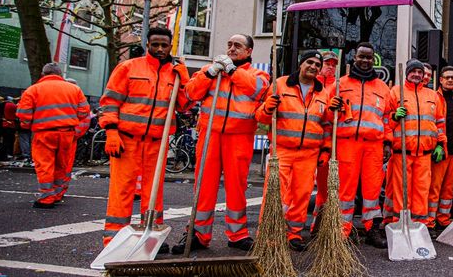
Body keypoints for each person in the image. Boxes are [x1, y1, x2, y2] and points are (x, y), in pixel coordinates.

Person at [98, 27, 190, 250]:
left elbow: (185, 105)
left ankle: (151, 238)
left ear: (170, 47)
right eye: (155, 44)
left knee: (153, 193)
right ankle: (114, 241)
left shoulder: (175, 74)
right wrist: (111, 132)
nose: (159, 49)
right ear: (147, 44)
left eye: (164, 45)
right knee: (122, 191)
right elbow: (110, 102)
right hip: (126, 139)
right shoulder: (128, 68)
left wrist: (185, 79)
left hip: (156, 142)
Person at [181, 34, 269, 253]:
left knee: (236, 187)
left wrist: (231, 71)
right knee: (203, 186)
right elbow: (191, 93)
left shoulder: (258, 73)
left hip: (239, 137)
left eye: (237, 46)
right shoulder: (211, 70)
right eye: (229, 44)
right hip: (210, 135)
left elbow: (258, 89)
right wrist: (210, 73)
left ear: (248, 51)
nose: (231, 49)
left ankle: (237, 234)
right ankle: (199, 234)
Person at [256, 50, 331, 252]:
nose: (313, 67)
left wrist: (325, 150)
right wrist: (267, 108)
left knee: (302, 195)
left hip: (309, 153)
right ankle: (269, 234)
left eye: (317, 64)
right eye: (310, 62)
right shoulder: (280, 85)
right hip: (282, 150)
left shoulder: (323, 92)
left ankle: (294, 234)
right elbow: (261, 119)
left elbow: (326, 125)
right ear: (301, 63)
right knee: (274, 193)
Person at [327, 42, 391, 248]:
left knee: (373, 190)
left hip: (374, 146)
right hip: (347, 144)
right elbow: (327, 116)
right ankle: (342, 231)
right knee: (346, 190)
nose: (365, 61)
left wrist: (388, 142)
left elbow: (388, 118)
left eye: (368, 57)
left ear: (374, 60)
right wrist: (331, 108)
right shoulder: (339, 84)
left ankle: (371, 228)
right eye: (361, 56)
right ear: (354, 58)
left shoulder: (382, 88)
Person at [384, 59, 446, 230]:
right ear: (407, 73)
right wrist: (394, 117)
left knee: (421, 192)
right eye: (414, 72)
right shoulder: (395, 93)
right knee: (401, 192)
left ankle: (419, 226)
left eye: (420, 72)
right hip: (402, 153)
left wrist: (441, 144)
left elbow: (440, 123)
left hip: (425, 154)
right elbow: (385, 121)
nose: (417, 75)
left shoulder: (432, 95)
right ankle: (399, 225)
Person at [17, 63, 90, 209]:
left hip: (44, 133)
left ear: (43, 74)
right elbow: (84, 112)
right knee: (61, 164)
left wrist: (29, 125)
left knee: (44, 165)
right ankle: (57, 194)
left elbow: (23, 115)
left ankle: (46, 197)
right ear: (60, 74)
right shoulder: (74, 89)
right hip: (67, 133)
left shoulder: (33, 90)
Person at [427, 66, 453, 235]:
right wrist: (438, 144)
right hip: (440, 150)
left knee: (448, 189)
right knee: (435, 188)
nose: (449, 80)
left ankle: (443, 218)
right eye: (446, 77)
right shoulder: (434, 97)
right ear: (440, 79)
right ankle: (430, 222)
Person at [311, 49, 340, 231]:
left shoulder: (338, 87)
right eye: (327, 63)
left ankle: (318, 224)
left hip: (326, 145)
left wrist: (327, 147)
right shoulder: (309, 85)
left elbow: (332, 122)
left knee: (325, 188)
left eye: (333, 64)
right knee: (298, 187)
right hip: (305, 144)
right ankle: (288, 227)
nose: (330, 67)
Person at [0, 96, 18, 161]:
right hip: (10, 125)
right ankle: (4, 155)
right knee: (8, 141)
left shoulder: (0, 105)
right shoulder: (14, 106)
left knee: (2, 141)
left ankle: (1, 155)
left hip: (1, 124)